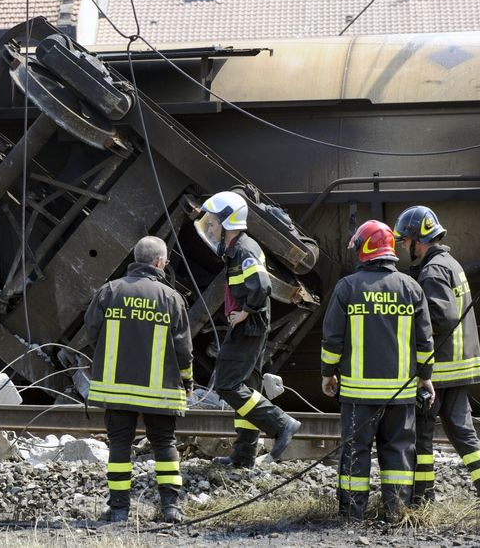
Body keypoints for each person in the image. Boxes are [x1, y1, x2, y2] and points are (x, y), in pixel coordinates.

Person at [320, 220, 435, 520]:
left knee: (355, 452)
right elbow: (424, 341)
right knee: (398, 451)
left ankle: (351, 515)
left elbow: (332, 339)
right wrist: (426, 378)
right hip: (400, 395)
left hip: (358, 395)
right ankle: (396, 512)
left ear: (364, 249)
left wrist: (328, 373)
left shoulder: (347, 288)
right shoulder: (411, 288)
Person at [393, 206, 480, 508]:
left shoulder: (433, 270)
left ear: (419, 239)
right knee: (461, 430)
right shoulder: (450, 263)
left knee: (422, 431)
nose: (404, 246)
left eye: (406, 240)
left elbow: (440, 316)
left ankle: (422, 498)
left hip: (442, 366)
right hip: (460, 362)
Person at [84, 236, 193, 523]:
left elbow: (91, 333)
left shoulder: (110, 291)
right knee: (164, 444)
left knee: (119, 444)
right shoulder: (171, 298)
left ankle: (119, 509)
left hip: (116, 387)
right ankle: (170, 507)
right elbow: (184, 350)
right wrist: (188, 383)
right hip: (159, 391)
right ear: (159, 262)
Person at [193, 190, 301, 468]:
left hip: (249, 327)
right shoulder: (235, 249)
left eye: (214, 222)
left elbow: (262, 286)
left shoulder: (244, 250)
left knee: (228, 385)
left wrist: (245, 312)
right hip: (251, 326)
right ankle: (244, 455)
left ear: (228, 222)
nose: (211, 226)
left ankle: (282, 423)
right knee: (248, 387)